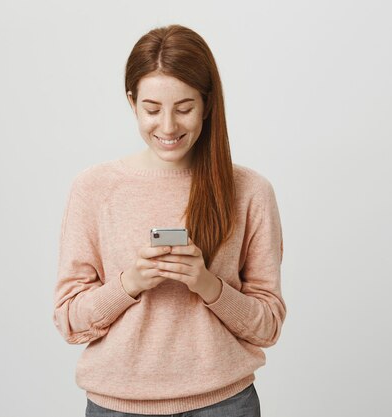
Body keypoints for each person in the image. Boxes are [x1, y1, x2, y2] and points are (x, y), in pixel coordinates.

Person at [53, 24, 285, 417]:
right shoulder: (93, 188)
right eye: (152, 109)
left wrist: (208, 285)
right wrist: (130, 283)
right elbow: (70, 322)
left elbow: (267, 327)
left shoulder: (250, 191)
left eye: (184, 108)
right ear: (132, 102)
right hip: (116, 407)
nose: (167, 127)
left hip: (223, 404)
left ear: (208, 105)